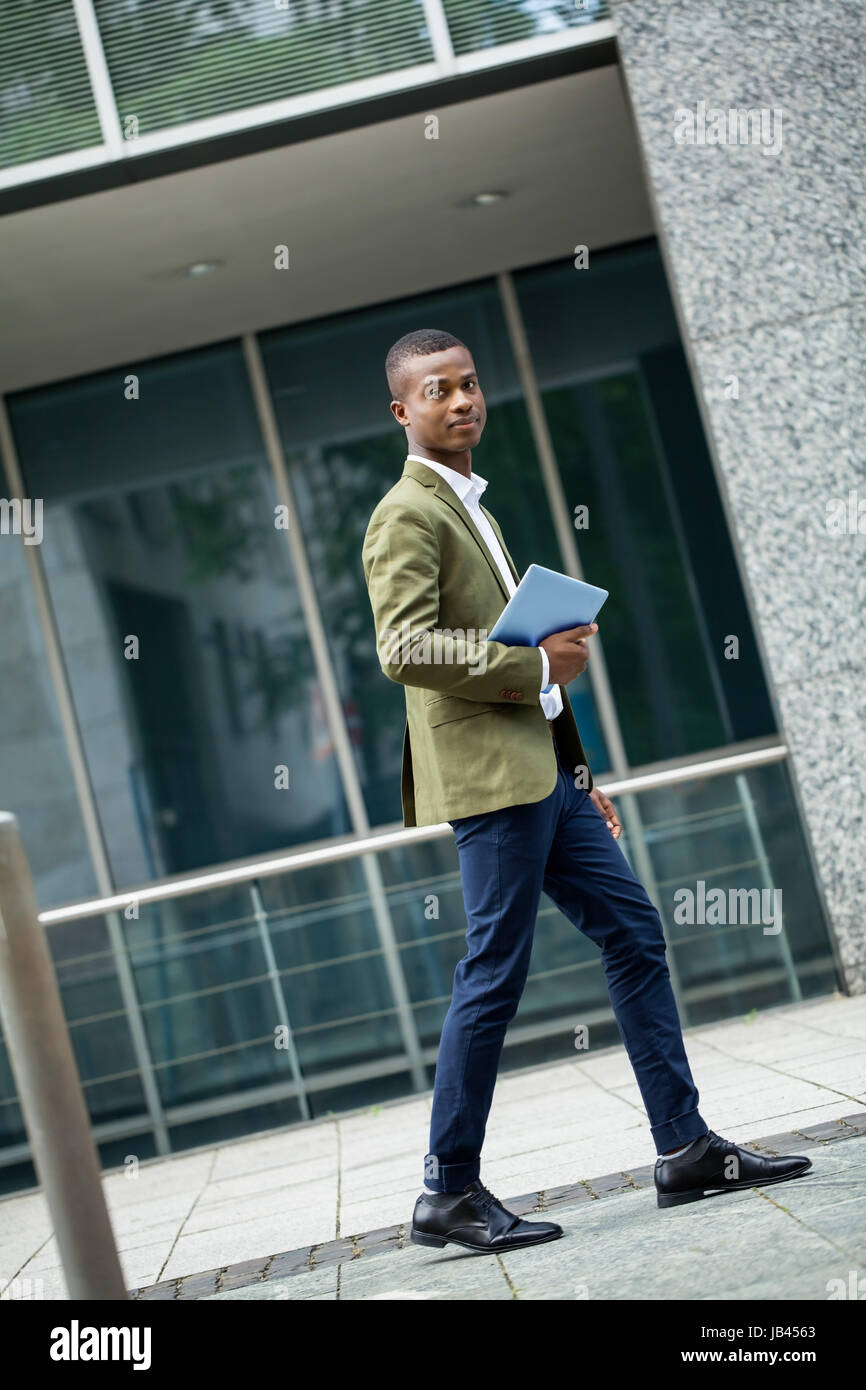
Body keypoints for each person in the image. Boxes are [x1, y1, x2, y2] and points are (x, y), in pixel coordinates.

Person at [361, 328, 811, 1255]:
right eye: (438, 391)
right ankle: (446, 1191)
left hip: (547, 777)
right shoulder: (405, 513)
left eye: (470, 384)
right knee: (494, 971)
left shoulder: (472, 505)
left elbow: (517, 651)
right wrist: (531, 661)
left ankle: (684, 1148)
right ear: (403, 412)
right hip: (491, 782)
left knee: (633, 932)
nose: (462, 401)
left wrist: (577, 770)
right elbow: (403, 649)